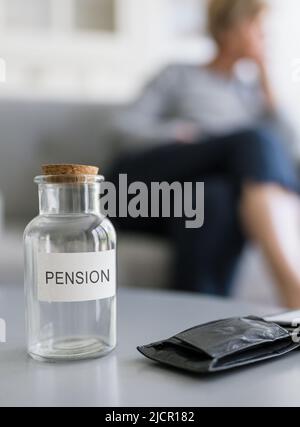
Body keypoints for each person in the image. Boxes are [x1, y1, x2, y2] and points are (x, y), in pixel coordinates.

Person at [109, 0, 300, 308]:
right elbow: (123, 130)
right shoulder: (178, 75)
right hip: (137, 192)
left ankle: (195, 328)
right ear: (228, 29)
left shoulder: (254, 95)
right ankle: (292, 286)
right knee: (251, 140)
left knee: (214, 197)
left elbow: (289, 153)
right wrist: (181, 134)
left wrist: (267, 83)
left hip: (191, 199)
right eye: (257, 27)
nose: (265, 36)